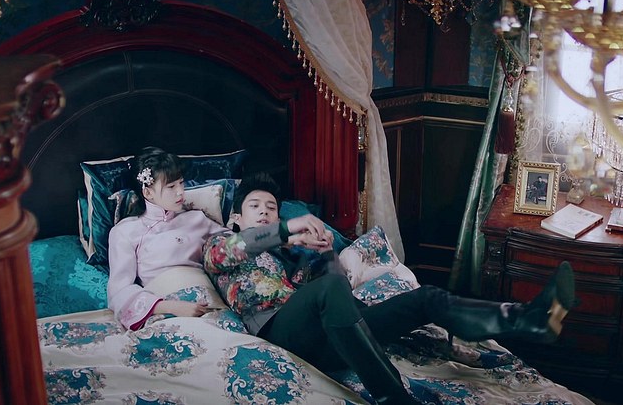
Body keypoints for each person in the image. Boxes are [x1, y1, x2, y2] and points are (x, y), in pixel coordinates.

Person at [203, 173, 576, 405]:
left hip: (329, 337)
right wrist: (287, 229)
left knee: (424, 297)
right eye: (255, 206)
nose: (265, 212)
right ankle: (394, 397)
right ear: (236, 217)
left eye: (272, 207)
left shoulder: (288, 259)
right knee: (330, 288)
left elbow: (337, 294)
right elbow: (238, 248)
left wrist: (325, 254)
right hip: (280, 333)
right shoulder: (219, 245)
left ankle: (528, 319)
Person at [107, 146, 228, 330]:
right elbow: (119, 291)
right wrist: (170, 307)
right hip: (165, 312)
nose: (180, 192)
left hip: (211, 306)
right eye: (171, 187)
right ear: (148, 193)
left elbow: (233, 243)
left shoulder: (196, 218)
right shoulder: (126, 231)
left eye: (181, 183)